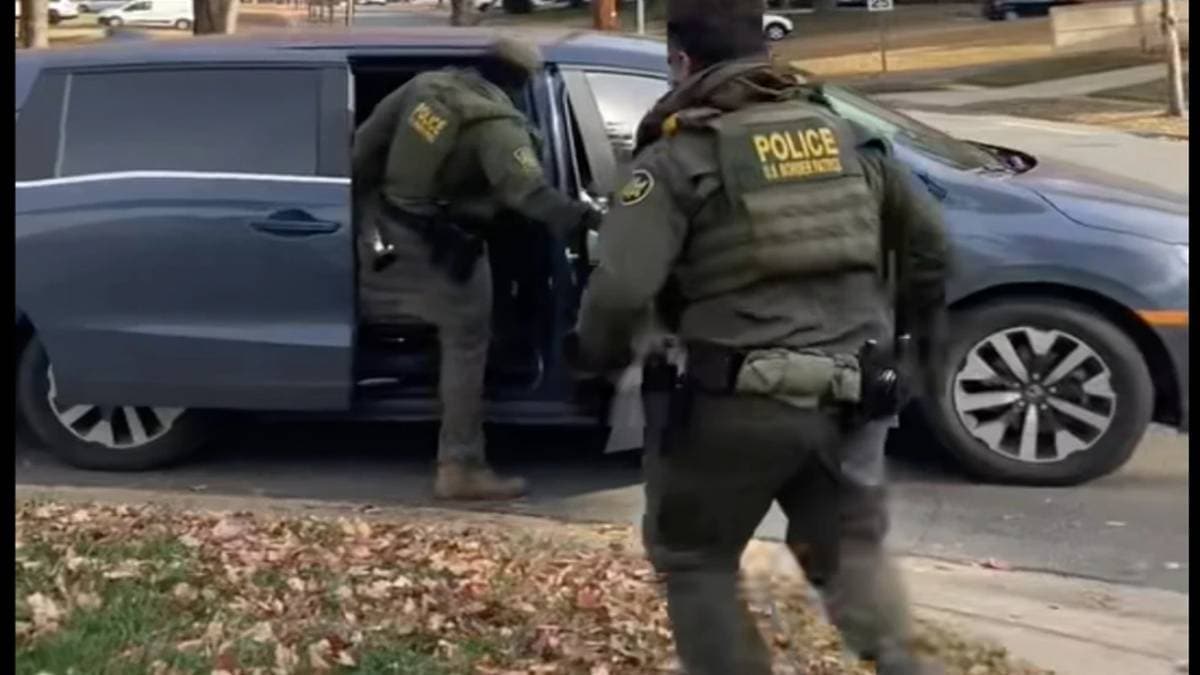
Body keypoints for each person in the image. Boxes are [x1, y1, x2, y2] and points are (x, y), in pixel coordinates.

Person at [566, 0, 951, 672]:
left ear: (680, 62)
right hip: (853, 395)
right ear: (763, 52)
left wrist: (594, 363)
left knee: (696, 559)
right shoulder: (846, 138)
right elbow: (931, 253)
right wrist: (915, 348)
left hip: (732, 405)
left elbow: (622, 291)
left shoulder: (679, 158)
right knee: (846, 551)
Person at [354, 37, 599, 501]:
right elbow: (529, 196)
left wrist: (362, 217)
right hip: (445, 241)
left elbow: (365, 146)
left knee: (458, 323)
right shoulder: (498, 124)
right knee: (468, 339)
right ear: (521, 81)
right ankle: (460, 465)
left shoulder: (424, 87)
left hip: (395, 222)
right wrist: (593, 219)